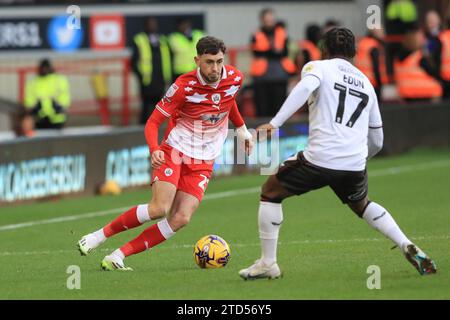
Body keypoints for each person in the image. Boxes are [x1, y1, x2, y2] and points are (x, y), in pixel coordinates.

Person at [239, 27, 437, 280]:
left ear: (324, 50)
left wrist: (275, 123)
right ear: (354, 53)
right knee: (362, 205)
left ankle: (268, 263)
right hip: (354, 163)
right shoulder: (366, 83)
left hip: (319, 159)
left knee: (270, 191)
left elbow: (303, 88)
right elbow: (377, 139)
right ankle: (406, 243)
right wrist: (357, 159)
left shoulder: (318, 68)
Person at [77, 36, 254, 270]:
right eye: (210, 62)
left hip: (205, 158)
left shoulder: (234, 78)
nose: (216, 68)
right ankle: (97, 236)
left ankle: (118, 256)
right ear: (197, 60)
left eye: (220, 61)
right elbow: (152, 122)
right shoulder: (182, 87)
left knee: (180, 218)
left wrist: (242, 130)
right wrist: (155, 149)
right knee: (159, 208)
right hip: (176, 149)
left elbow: (227, 100)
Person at [250, 8, 297, 117]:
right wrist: (273, 52)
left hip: (279, 75)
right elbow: (256, 52)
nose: (270, 22)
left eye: (271, 19)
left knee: (279, 107)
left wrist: (267, 52)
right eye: (267, 19)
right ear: (262, 20)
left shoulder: (282, 33)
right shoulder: (256, 34)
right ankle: (262, 132)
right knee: (262, 108)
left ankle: (278, 132)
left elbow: (284, 52)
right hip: (261, 77)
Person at [131, 17, 173, 125]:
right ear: (145, 26)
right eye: (150, 24)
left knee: (158, 105)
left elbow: (168, 58)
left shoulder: (163, 40)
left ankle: (154, 127)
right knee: (146, 105)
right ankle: (143, 127)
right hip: (147, 79)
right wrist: (140, 76)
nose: (152, 26)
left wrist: (168, 77)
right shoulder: (139, 39)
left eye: (154, 24)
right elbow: (133, 61)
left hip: (161, 78)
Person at [394, 23, 443, 101]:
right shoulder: (418, 57)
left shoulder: (398, 57)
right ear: (415, 38)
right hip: (425, 95)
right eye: (421, 37)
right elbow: (435, 73)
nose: (424, 39)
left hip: (405, 95)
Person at [24, 59, 70, 129]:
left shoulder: (59, 80)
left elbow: (64, 99)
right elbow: (29, 102)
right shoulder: (33, 82)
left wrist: (58, 107)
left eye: (46, 68)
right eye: (43, 68)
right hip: (39, 119)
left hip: (57, 118)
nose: (44, 70)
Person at [354, 27, 389, 101]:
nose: (384, 35)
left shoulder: (362, 43)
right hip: (372, 82)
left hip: (360, 81)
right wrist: (380, 83)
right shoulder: (373, 45)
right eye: (382, 32)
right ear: (375, 33)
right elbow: (376, 66)